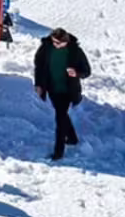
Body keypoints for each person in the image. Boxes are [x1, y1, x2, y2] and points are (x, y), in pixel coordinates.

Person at [35, 27, 92, 160]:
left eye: (59, 43)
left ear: (66, 41)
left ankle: (58, 153)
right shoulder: (46, 47)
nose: (56, 45)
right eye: (54, 42)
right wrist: (39, 84)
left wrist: (76, 73)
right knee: (62, 114)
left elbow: (87, 71)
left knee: (60, 118)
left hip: (68, 90)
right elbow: (39, 66)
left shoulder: (75, 51)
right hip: (52, 88)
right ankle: (72, 138)